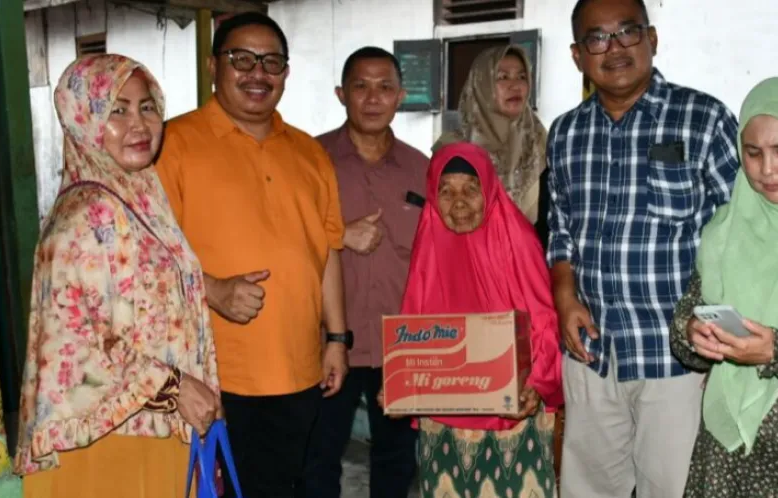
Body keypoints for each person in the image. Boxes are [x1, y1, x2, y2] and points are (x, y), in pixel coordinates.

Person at [546, 0, 741, 497]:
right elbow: (560, 229)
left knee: (673, 489)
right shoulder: (566, 133)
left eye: (627, 31)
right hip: (592, 354)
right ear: (577, 55)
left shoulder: (703, 119)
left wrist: (722, 349)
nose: (614, 48)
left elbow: (739, 236)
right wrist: (565, 296)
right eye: (597, 37)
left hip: (677, 360)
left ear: (651, 39)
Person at [155, 12, 349, 498]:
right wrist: (213, 290)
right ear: (212, 66)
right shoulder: (172, 145)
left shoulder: (309, 152)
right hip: (218, 375)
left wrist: (337, 338)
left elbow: (326, 250)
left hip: (301, 369)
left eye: (271, 62)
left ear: (286, 72)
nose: (258, 73)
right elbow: (146, 258)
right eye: (241, 59)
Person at [14, 54, 220, 498]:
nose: (138, 125)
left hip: (147, 425)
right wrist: (174, 388)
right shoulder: (90, 214)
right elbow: (78, 343)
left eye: (146, 107)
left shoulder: (138, 198)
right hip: (108, 441)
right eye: (116, 110)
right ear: (83, 119)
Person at [670, 77, 778, 497]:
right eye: (753, 153)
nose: (767, 169)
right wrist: (693, 333)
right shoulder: (727, 227)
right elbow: (690, 309)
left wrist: (777, 349)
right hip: (727, 455)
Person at [387, 142, 563, 497]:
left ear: (489, 191)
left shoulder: (517, 239)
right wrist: (400, 380)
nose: (459, 203)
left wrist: (538, 383)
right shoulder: (430, 238)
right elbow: (414, 317)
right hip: (445, 421)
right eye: (446, 192)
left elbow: (544, 320)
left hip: (510, 416)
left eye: (471, 190)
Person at [305, 46, 428, 498]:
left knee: (398, 460)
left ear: (401, 96)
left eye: (385, 87)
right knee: (318, 458)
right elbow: (282, 240)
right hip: (327, 342)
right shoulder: (309, 160)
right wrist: (339, 235)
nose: (373, 98)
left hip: (403, 342)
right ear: (341, 94)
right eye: (361, 86)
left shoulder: (421, 168)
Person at [432, 45, 548, 227]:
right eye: (503, 77)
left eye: (522, 77)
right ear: (482, 85)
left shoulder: (542, 145)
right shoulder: (452, 153)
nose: (515, 86)